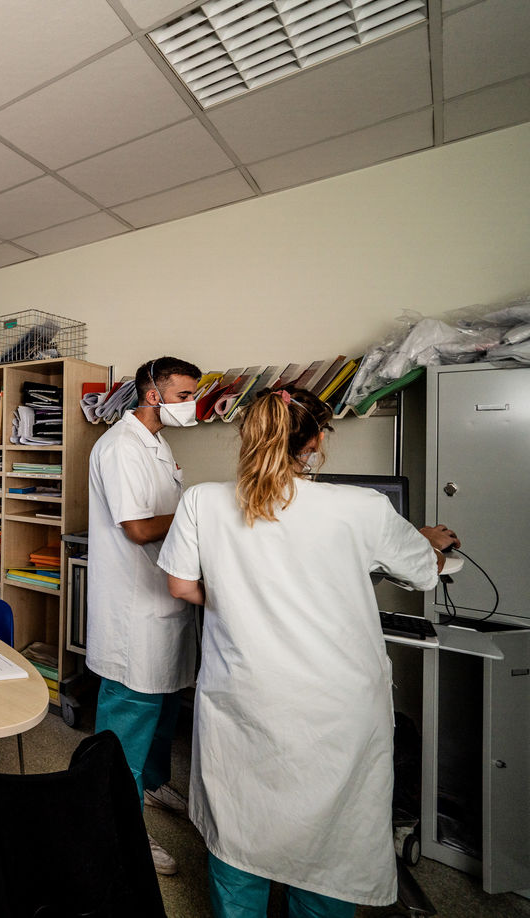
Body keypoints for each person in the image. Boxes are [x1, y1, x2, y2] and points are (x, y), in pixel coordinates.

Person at [157, 387, 457, 916]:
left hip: (243, 694)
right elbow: (423, 573)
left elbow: (182, 586)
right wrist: (432, 544)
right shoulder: (363, 507)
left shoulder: (202, 500)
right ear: (316, 441)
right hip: (334, 707)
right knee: (331, 843)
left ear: (248, 433)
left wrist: (236, 594)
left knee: (240, 822)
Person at [85, 355, 203, 875]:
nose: (191, 406)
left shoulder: (157, 443)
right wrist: (202, 514)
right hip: (131, 610)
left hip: (164, 600)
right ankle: (116, 829)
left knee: (163, 707)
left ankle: (151, 785)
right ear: (153, 395)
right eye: (184, 396)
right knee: (129, 720)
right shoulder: (119, 447)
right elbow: (136, 528)